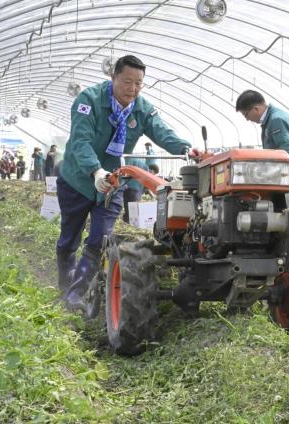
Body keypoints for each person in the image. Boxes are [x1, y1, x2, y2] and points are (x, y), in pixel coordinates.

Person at [56, 55, 196, 312]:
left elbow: (163, 133)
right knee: (69, 238)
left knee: (99, 239)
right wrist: (95, 171)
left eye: (139, 83)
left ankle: (76, 294)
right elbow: (80, 141)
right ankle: (65, 281)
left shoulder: (142, 109)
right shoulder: (89, 100)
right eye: (127, 82)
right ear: (114, 78)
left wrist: (188, 149)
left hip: (113, 184)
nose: (133, 89)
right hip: (79, 180)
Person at [235, 90, 289, 199]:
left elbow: (287, 153)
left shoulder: (276, 120)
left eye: (246, 114)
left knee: (282, 211)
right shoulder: (270, 120)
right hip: (284, 178)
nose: (247, 119)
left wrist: (275, 178)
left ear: (256, 109)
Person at [121, 158, 149, 223]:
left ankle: (128, 221)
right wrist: (143, 189)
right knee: (135, 207)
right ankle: (134, 222)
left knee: (128, 207)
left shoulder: (129, 160)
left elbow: (125, 173)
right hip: (138, 188)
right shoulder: (145, 165)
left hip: (129, 187)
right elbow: (147, 178)